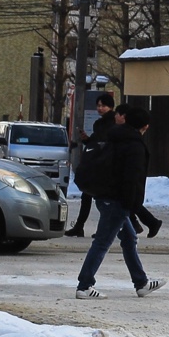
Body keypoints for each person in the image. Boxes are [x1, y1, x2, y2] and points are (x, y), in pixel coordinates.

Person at [76, 104, 164, 300]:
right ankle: (84, 286)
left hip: (105, 197)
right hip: (116, 201)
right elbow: (131, 179)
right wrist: (130, 205)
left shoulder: (114, 137)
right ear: (145, 126)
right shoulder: (134, 146)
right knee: (102, 243)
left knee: (129, 239)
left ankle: (141, 283)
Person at [64, 93, 117, 236]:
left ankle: (108, 228)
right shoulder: (100, 123)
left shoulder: (111, 123)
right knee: (88, 195)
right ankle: (80, 226)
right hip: (97, 163)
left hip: (103, 164)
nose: (100, 108)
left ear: (110, 107)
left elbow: (103, 142)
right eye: (98, 105)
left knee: (103, 198)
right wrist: (86, 139)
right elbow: (96, 141)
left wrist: (92, 142)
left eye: (103, 106)